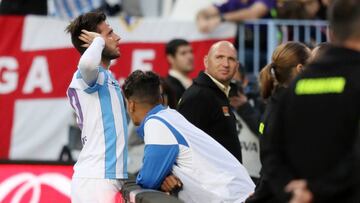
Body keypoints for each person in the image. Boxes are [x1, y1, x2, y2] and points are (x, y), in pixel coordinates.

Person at [261, 0, 360, 202]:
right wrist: (318, 189)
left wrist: (292, 191)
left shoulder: (299, 84)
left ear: (332, 32)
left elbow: (271, 148)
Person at [123, 70, 255, 203]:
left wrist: (161, 177)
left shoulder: (156, 123)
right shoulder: (170, 117)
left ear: (131, 105)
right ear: (161, 99)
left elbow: (148, 180)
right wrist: (164, 176)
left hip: (233, 198)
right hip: (239, 193)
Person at [65, 12, 128, 203]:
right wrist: (99, 42)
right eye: (109, 33)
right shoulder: (86, 74)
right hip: (96, 178)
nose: (117, 38)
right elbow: (86, 64)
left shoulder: (106, 76)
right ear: (92, 42)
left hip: (106, 177)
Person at [245, 41, 311, 203]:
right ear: (300, 69)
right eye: (312, 64)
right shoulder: (287, 110)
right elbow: (272, 166)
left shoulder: (277, 103)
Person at [178, 41, 243, 163]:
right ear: (206, 61)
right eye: (219, 57)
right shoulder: (198, 96)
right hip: (209, 180)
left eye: (231, 59)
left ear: (237, 66)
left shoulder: (217, 93)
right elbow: (185, 148)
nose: (226, 64)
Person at [165, 39, 194, 107]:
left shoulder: (193, 83)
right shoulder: (168, 87)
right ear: (170, 58)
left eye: (191, 52)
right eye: (183, 53)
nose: (190, 57)